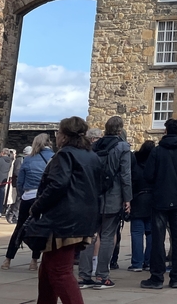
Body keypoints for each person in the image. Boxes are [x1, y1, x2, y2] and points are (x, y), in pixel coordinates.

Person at [24, 116, 103, 304]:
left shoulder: (65, 154)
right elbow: (101, 186)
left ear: (65, 136)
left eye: (58, 132)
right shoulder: (92, 156)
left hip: (64, 221)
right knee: (47, 271)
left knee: (60, 272)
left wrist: (36, 207)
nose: (56, 136)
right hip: (83, 217)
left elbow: (57, 185)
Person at [142, 117, 177, 289]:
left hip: (160, 198)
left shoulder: (157, 151)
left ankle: (157, 277)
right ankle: (176, 278)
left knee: (158, 239)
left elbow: (148, 175)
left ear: (165, 130)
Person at [77, 116, 131, 289]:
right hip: (113, 196)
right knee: (107, 236)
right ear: (120, 129)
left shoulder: (93, 146)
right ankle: (102, 276)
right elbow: (125, 175)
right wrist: (128, 198)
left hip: (93, 195)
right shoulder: (122, 147)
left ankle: (84, 276)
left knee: (90, 236)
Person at [3, 133, 54, 271]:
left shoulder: (28, 159)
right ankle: (34, 261)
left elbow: (20, 181)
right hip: (45, 197)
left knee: (20, 227)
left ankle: (8, 259)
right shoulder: (54, 158)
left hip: (28, 195)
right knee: (40, 229)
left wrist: (22, 194)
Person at [127, 140, 155, 272]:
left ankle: (137, 263)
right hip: (152, 199)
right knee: (150, 232)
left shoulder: (135, 162)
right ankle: (148, 261)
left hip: (138, 198)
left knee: (137, 232)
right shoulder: (155, 163)